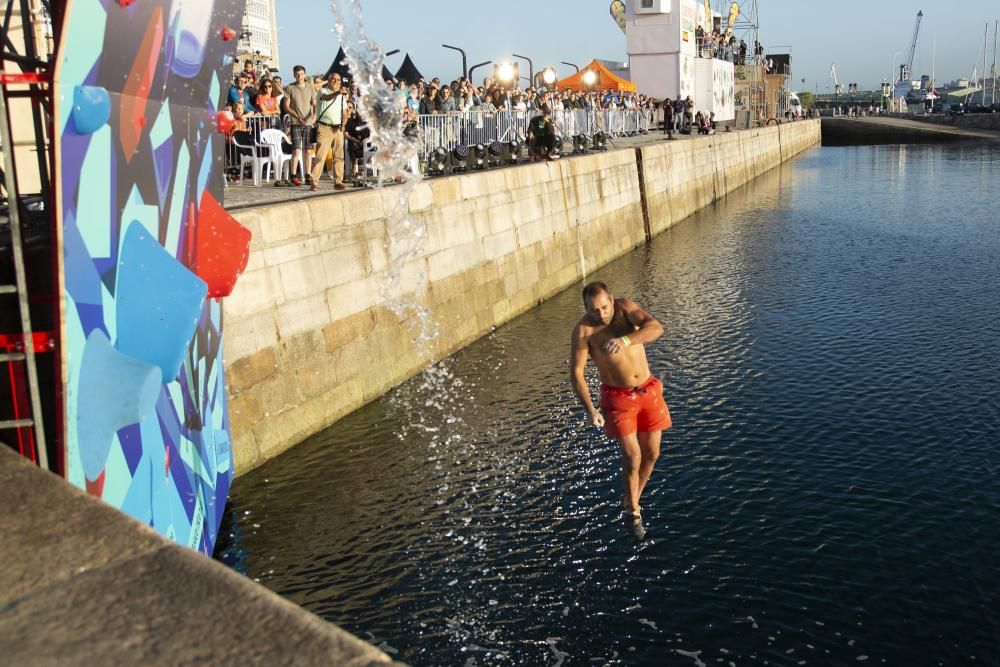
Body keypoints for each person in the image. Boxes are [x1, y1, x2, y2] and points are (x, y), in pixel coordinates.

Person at [570, 281, 671, 540]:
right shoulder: (584, 331)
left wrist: (626, 340)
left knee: (652, 453)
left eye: (604, 307)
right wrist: (590, 410)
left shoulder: (625, 310)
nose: (601, 314)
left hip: (648, 389)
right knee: (632, 456)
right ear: (585, 309)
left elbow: (656, 328)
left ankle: (630, 501)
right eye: (594, 310)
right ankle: (634, 511)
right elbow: (577, 373)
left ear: (612, 300)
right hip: (617, 398)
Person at [309, 72, 348, 191]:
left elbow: (345, 112)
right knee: (321, 156)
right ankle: (314, 181)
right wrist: (338, 92)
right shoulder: (323, 91)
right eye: (333, 79)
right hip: (325, 127)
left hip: (337, 128)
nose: (335, 82)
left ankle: (338, 181)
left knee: (339, 156)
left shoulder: (342, 96)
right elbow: (326, 98)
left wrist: (343, 124)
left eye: (338, 79)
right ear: (329, 80)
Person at [283, 65, 316, 186]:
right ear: (294, 75)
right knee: (296, 149)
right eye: (297, 74)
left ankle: (308, 175)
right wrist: (297, 117)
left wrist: (313, 116)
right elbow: (286, 106)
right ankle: (293, 175)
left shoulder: (310, 88)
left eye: (301, 74)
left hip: (308, 123)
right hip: (296, 122)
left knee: (308, 150)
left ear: (305, 74)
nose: (299, 76)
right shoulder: (290, 88)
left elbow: (314, 103)